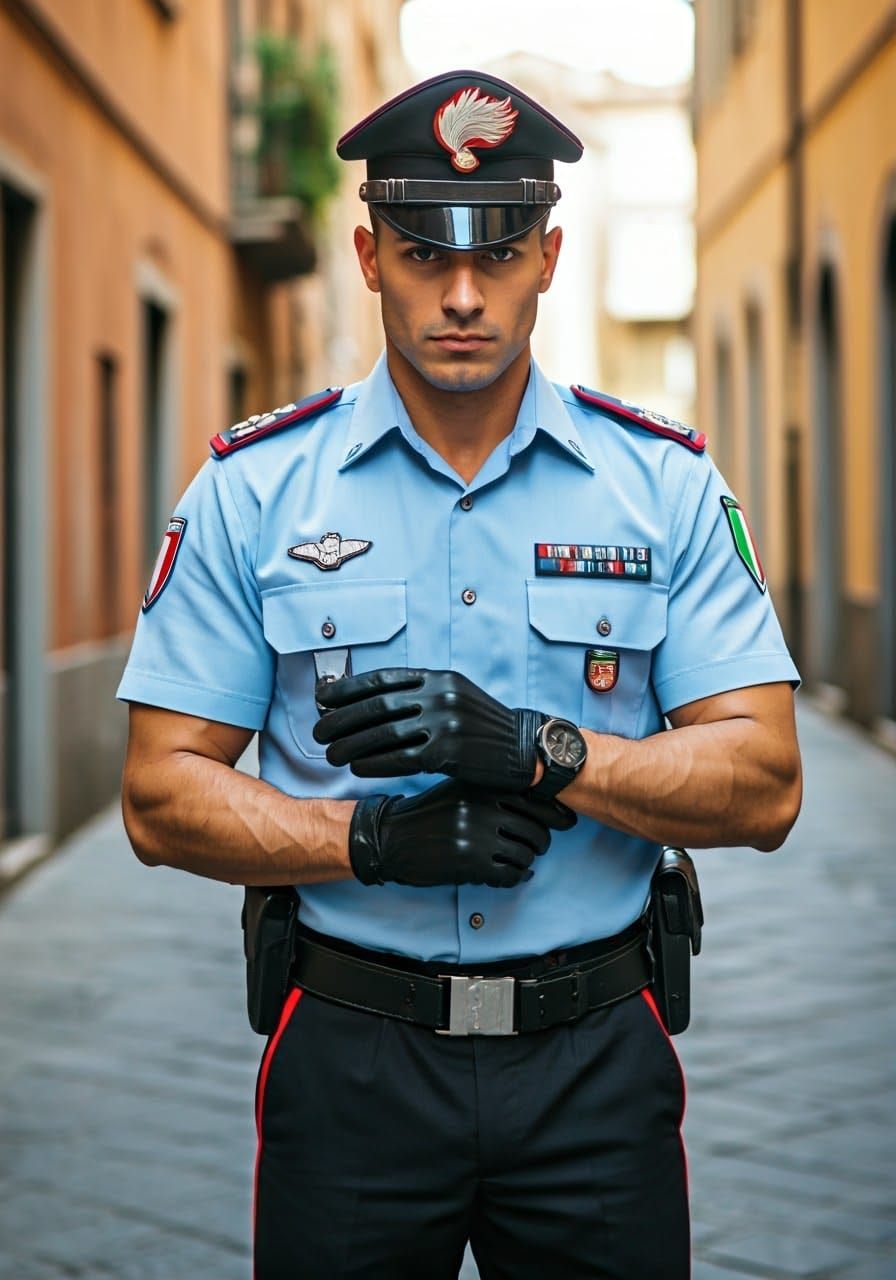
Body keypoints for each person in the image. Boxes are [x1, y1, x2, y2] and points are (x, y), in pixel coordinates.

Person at [119, 69, 802, 1280]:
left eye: (495, 254)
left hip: (592, 1056)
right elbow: (159, 792)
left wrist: (546, 749)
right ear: (369, 253)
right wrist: (368, 841)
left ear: (547, 252)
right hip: (351, 1058)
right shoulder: (251, 491)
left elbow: (762, 782)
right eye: (425, 253)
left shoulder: (664, 488)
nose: (464, 295)